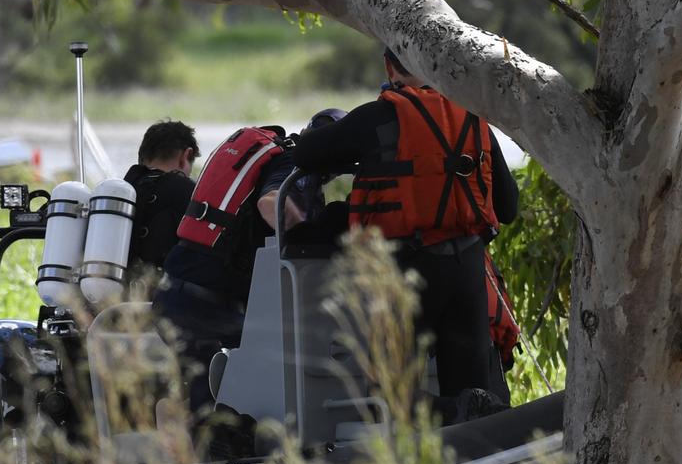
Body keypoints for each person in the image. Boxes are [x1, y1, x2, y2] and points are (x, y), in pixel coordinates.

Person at [292, 48, 519, 422]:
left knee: (391, 392)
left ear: (389, 67)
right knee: (472, 388)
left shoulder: (377, 117)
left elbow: (306, 154)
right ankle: (470, 440)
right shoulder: (472, 117)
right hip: (467, 271)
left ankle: (440, 425)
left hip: (405, 271)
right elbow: (507, 208)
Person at [155, 110, 342, 415]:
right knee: (288, 350)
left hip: (174, 293)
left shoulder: (268, 153)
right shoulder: (293, 165)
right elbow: (270, 203)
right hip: (209, 307)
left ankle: (182, 423)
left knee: (204, 399)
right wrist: (305, 235)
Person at [123, 120, 199, 282]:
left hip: (106, 296)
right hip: (157, 298)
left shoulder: (120, 189)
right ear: (185, 156)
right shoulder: (189, 192)